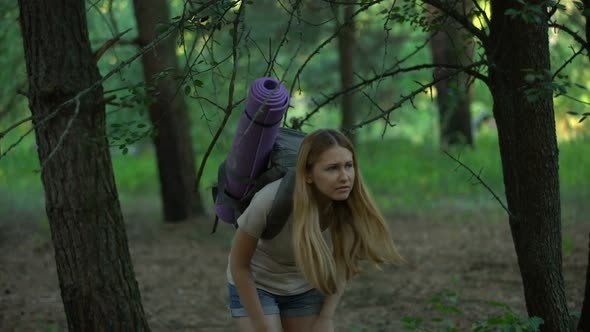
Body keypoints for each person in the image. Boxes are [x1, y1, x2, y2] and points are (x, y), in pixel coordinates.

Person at [226, 128, 403, 332]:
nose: (345, 177)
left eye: (348, 166)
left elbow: (342, 263)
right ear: (308, 174)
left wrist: (325, 317)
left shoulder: (348, 206)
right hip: (257, 284)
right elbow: (239, 264)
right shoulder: (270, 200)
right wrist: (260, 324)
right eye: (332, 168)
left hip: (304, 287)